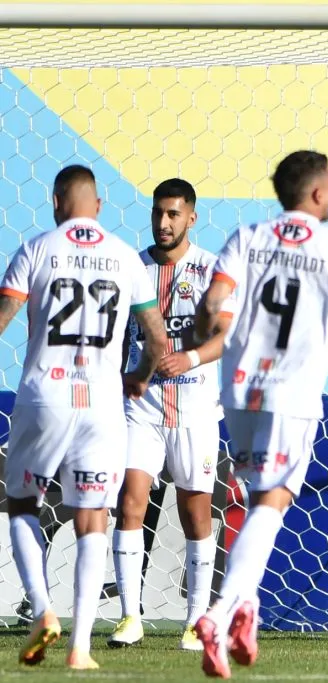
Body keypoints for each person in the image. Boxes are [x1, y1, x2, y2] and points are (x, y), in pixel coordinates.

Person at [192, 150, 328, 678]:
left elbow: (213, 305)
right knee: (273, 502)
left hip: (240, 391)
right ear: (317, 193)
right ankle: (219, 612)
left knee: (259, 500)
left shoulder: (247, 237)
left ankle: (247, 608)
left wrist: (202, 333)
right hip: (291, 394)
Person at [0, 165, 166, 669]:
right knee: (93, 518)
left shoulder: (36, 249)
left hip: (44, 395)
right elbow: (157, 339)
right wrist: (138, 377)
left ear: (55, 202)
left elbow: (4, 314)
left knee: (22, 503)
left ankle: (42, 611)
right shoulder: (125, 256)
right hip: (101, 401)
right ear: (98, 206)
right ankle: (81, 648)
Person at [109, 178, 232, 651]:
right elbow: (116, 335)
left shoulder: (210, 270)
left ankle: (196, 621)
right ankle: (129, 617)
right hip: (140, 408)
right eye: (158, 213)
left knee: (195, 514)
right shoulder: (132, 268)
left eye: (173, 214)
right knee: (130, 503)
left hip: (195, 410)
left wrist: (191, 358)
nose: (163, 222)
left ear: (191, 218)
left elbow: (226, 336)